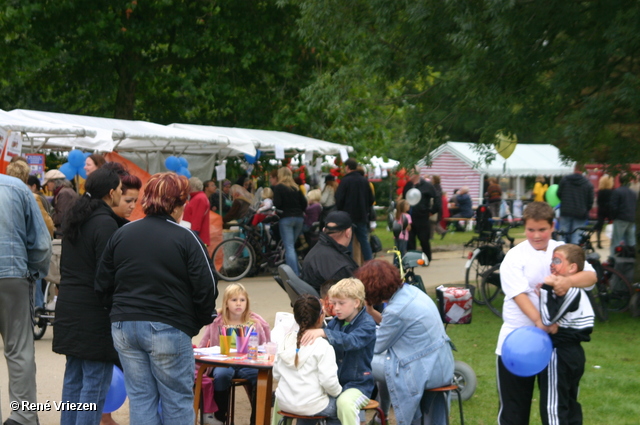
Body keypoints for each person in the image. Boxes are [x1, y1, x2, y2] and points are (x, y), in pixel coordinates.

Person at [95, 172, 217, 425]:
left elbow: (102, 283)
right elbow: (207, 288)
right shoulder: (187, 237)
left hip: (125, 325)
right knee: (177, 399)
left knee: (141, 398)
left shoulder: (122, 233)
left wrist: (118, 312)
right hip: (168, 324)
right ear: (177, 204)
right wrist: (195, 322)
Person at [496, 202, 596, 425]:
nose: (536, 235)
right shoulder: (514, 257)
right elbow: (518, 294)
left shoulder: (562, 251)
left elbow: (590, 277)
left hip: (553, 346)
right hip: (517, 340)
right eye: (531, 230)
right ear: (524, 228)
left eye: (542, 229)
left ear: (552, 227)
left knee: (556, 409)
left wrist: (567, 281)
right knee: (514, 410)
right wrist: (540, 321)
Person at [52, 168, 123, 425]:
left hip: (70, 306)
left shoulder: (78, 217)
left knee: (74, 380)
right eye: (121, 190)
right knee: (94, 384)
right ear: (112, 192)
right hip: (93, 312)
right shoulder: (104, 223)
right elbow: (106, 275)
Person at [356, 260, 454, 425]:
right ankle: (382, 416)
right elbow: (393, 328)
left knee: (356, 360)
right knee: (385, 362)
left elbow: (377, 345)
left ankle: (360, 419)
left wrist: (352, 334)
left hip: (424, 370)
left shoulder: (396, 310)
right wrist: (371, 312)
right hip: (441, 363)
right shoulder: (411, 292)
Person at [0, 172, 51, 425]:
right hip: (13, 274)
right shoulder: (16, 187)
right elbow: (42, 243)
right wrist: (32, 273)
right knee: (18, 348)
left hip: (14, 272)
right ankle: (23, 416)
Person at [299, 278, 376, 425]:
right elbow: (321, 344)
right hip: (334, 384)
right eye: (334, 303)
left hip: (358, 385)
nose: (336, 308)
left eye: (341, 303)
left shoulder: (367, 324)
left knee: (344, 403)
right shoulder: (336, 322)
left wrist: (324, 333)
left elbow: (351, 341)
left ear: (356, 303)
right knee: (306, 399)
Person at [197, 283, 271, 425]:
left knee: (259, 377)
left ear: (247, 303)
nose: (238, 304)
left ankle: (257, 420)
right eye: (234, 300)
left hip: (248, 363)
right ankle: (220, 417)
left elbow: (264, 346)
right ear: (226, 303)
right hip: (223, 364)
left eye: (242, 300)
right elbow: (203, 345)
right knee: (222, 375)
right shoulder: (217, 322)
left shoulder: (254, 323)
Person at [539, 244, 595, 425]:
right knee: (569, 403)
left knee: (554, 408)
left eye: (557, 260)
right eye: (552, 260)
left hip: (560, 354)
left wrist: (543, 289)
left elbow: (547, 319)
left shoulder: (571, 290)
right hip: (572, 355)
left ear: (572, 268)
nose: (552, 264)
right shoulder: (570, 291)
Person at [272, 294, 342, 425]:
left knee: (310, 405)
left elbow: (276, 374)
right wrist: (339, 392)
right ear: (321, 317)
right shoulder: (323, 345)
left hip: (285, 403)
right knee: (339, 407)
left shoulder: (285, 341)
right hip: (312, 405)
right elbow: (329, 382)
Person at [301, 211, 359, 292]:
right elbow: (357, 295)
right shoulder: (341, 267)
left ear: (324, 229)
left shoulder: (317, 250)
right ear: (348, 232)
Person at [335, 158, 375, 261]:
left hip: (347, 215)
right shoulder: (364, 181)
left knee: (347, 241)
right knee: (364, 240)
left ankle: (349, 263)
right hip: (361, 215)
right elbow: (371, 199)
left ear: (347, 167)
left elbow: (339, 198)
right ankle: (369, 262)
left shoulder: (345, 181)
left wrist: (340, 210)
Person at [272, 167, 307, 275]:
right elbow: (304, 203)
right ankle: (298, 271)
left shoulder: (279, 187)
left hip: (286, 218)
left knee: (289, 247)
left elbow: (277, 203)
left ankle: (294, 274)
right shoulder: (296, 188)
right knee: (291, 246)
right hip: (299, 219)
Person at [403, 169, 440, 261]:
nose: (409, 175)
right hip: (409, 217)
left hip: (422, 217)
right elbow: (404, 199)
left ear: (417, 174)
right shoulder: (408, 186)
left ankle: (427, 258)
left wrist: (431, 211)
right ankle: (412, 259)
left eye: (411, 173)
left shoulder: (427, 186)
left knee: (424, 239)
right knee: (410, 240)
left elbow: (437, 199)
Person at [557, 172, 594, 244]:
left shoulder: (564, 180)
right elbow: (590, 201)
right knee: (577, 235)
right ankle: (574, 253)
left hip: (566, 210)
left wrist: (564, 202)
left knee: (563, 235)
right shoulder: (587, 183)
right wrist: (585, 209)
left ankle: (562, 251)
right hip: (580, 213)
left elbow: (559, 193)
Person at [609, 173, 637, 256]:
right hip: (631, 218)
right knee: (631, 240)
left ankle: (613, 258)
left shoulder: (617, 191)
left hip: (621, 218)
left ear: (619, 180)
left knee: (616, 240)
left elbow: (613, 206)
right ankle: (631, 257)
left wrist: (613, 217)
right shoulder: (633, 193)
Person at [44, 169, 79, 234]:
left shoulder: (64, 193)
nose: (47, 186)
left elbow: (61, 216)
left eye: (47, 183)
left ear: (54, 182)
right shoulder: (66, 191)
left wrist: (48, 218)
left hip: (64, 232)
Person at [183, 177, 211, 246]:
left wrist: (193, 235)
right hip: (197, 235)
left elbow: (197, 219)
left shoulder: (199, 199)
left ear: (191, 187)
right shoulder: (200, 197)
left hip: (197, 236)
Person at [594, 175, 614, 249]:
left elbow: (598, 202)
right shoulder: (612, 192)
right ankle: (612, 241)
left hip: (601, 210)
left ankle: (598, 242)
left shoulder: (600, 192)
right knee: (611, 226)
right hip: (609, 210)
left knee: (600, 226)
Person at [430, 175, 447, 239]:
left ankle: (432, 235)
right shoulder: (439, 187)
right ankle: (442, 231)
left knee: (432, 222)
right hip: (438, 206)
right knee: (434, 222)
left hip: (435, 206)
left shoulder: (435, 187)